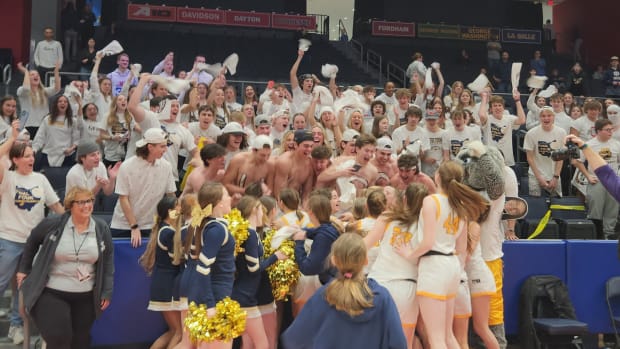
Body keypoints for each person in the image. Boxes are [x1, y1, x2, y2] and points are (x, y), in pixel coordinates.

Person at [394, 161, 488, 349]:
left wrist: (408, 253)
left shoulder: (431, 201)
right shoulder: (459, 205)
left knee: (436, 339)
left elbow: (427, 243)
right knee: (448, 337)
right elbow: (462, 249)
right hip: (452, 266)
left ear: (437, 177)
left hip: (434, 265)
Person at [17, 186, 113, 349]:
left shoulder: (101, 227)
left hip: (86, 295)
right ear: (70, 205)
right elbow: (32, 240)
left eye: (89, 201)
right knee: (60, 337)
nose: (86, 206)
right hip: (51, 291)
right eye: (81, 202)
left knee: (80, 341)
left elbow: (108, 260)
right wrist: (24, 269)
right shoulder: (54, 223)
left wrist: (107, 291)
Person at [281, 233, 407, 349]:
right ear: (365, 260)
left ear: (334, 260)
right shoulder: (382, 297)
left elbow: (294, 340)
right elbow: (399, 343)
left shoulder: (324, 295)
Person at [0, 122, 64, 345]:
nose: (31, 159)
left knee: (23, 287)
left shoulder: (40, 179)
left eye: (32, 155)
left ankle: (16, 326)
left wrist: (69, 222)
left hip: (33, 243)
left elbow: (56, 205)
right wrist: (12, 137)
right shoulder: (7, 177)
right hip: (8, 240)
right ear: (15, 159)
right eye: (26, 155)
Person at [364, 183, 428, 349]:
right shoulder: (427, 226)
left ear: (404, 199)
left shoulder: (387, 217)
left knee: (373, 339)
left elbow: (364, 246)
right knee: (405, 342)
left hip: (379, 283)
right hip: (407, 287)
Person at [182, 182, 235, 349]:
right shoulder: (217, 229)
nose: (230, 199)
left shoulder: (208, 225)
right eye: (227, 195)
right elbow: (202, 269)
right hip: (215, 296)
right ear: (219, 202)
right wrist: (211, 305)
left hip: (212, 294)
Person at [232, 196, 286, 349]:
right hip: (246, 297)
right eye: (261, 210)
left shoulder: (246, 233)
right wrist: (275, 257)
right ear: (254, 211)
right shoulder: (250, 234)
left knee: (248, 343)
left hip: (242, 294)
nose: (263, 214)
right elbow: (254, 269)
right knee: (263, 344)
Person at [110, 128, 176, 246]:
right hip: (124, 225)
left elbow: (171, 196)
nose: (165, 150)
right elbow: (123, 198)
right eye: (162, 147)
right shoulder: (127, 166)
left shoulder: (166, 166)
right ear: (150, 147)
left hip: (151, 225)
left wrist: (174, 220)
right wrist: (134, 226)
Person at [139, 196, 183, 349]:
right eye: (178, 206)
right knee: (179, 332)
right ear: (170, 211)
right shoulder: (168, 232)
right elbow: (176, 259)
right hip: (167, 286)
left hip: (163, 284)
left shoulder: (164, 228)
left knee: (174, 331)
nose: (180, 208)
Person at [572, 119, 620, 239]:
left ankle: (609, 236)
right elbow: (576, 162)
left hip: (613, 182)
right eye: (607, 130)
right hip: (597, 182)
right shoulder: (589, 144)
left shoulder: (616, 144)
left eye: (611, 130)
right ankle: (596, 237)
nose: (610, 132)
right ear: (598, 131)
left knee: (612, 211)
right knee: (595, 212)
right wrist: (588, 175)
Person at [523, 107, 566, 197]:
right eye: (543, 116)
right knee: (536, 204)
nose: (546, 118)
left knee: (556, 204)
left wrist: (555, 177)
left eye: (549, 115)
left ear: (554, 117)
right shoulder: (531, 133)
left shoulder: (561, 132)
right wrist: (539, 177)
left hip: (554, 174)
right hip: (535, 174)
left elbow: (561, 158)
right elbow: (529, 158)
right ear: (539, 118)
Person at [32, 95, 80, 170]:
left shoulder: (73, 120)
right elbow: (40, 136)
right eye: (60, 101)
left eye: (65, 101)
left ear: (68, 105)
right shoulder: (48, 119)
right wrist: (34, 149)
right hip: (48, 154)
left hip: (66, 156)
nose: (62, 103)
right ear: (55, 104)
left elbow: (76, 139)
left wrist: (71, 149)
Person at [223, 135, 275, 203]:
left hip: (258, 202)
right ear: (254, 150)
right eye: (262, 155)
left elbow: (269, 190)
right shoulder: (239, 160)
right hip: (238, 200)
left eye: (268, 155)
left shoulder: (270, 164)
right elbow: (225, 184)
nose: (265, 159)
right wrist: (246, 191)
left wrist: (264, 192)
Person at [16, 62, 61, 138]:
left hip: (42, 125)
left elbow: (57, 89)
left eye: (37, 75)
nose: (35, 76)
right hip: (27, 125)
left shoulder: (44, 91)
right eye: (32, 75)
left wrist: (56, 71)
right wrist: (26, 72)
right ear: (27, 78)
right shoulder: (21, 91)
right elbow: (26, 88)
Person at [274, 130, 315, 202]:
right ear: (296, 145)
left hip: (295, 202)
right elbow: (278, 194)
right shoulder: (285, 162)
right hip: (279, 203)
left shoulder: (310, 164)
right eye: (306, 146)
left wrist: (304, 210)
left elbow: (306, 193)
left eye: (311, 146)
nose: (309, 149)